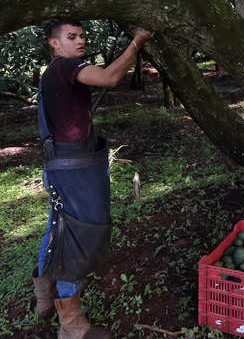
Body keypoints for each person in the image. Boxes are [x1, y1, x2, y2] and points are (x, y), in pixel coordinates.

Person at [32, 20, 153, 339]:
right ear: (54, 43)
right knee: (78, 235)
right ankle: (71, 326)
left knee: (59, 226)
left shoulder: (52, 74)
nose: (80, 41)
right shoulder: (64, 67)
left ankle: (46, 295)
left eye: (83, 36)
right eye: (71, 37)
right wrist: (137, 42)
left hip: (62, 166)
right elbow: (111, 77)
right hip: (72, 171)